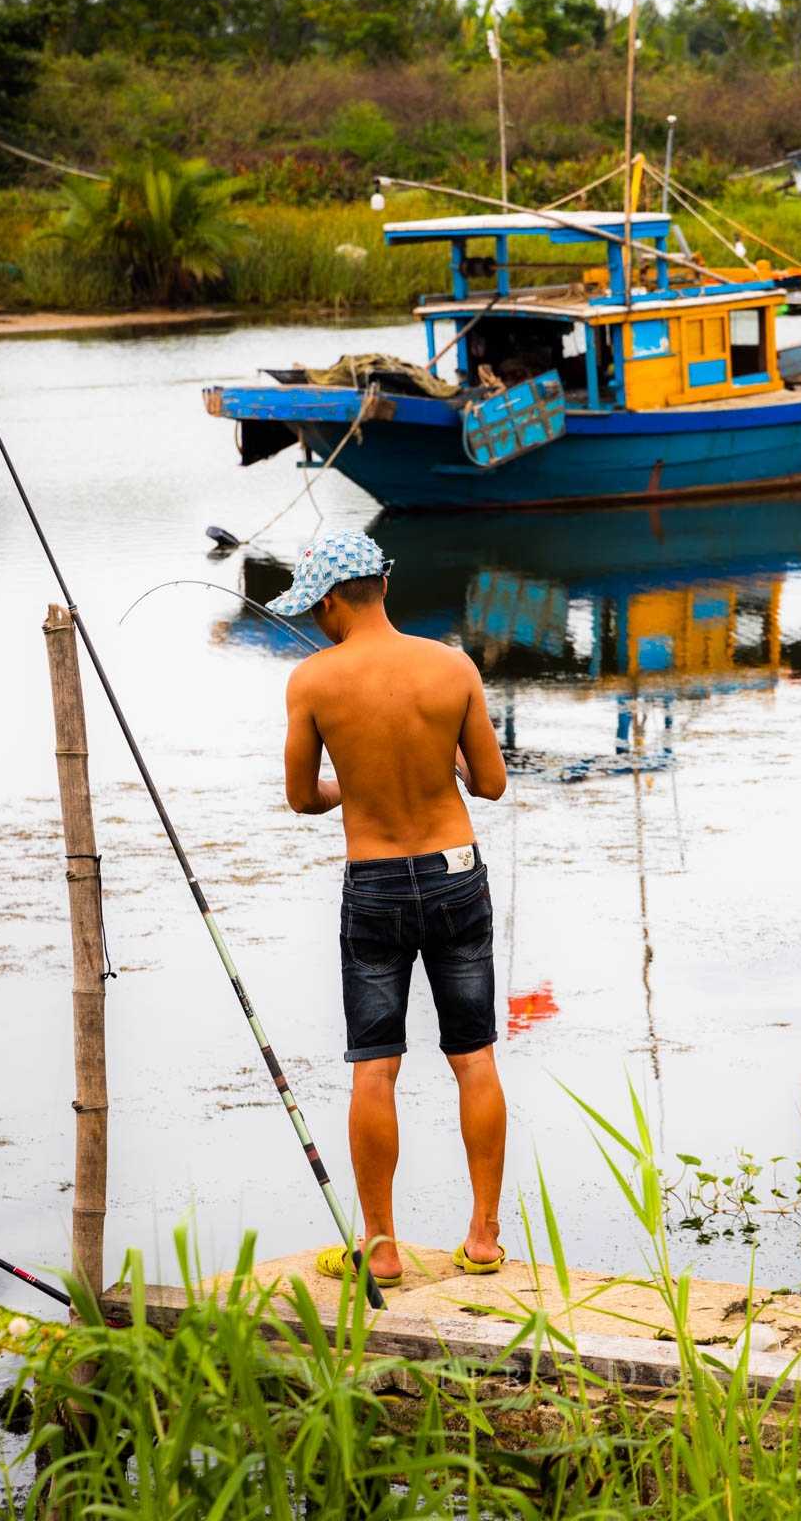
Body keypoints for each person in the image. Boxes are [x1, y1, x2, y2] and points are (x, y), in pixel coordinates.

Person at [268, 528, 509, 1289]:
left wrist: (357, 788)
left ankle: (381, 1248)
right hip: (454, 872)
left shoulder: (310, 682)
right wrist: (447, 758)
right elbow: (492, 784)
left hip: (373, 883)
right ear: (385, 587)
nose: (314, 621)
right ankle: (482, 1237)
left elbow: (304, 797)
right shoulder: (452, 665)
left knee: (374, 1068)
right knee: (473, 1057)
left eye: (315, 608)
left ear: (336, 600)